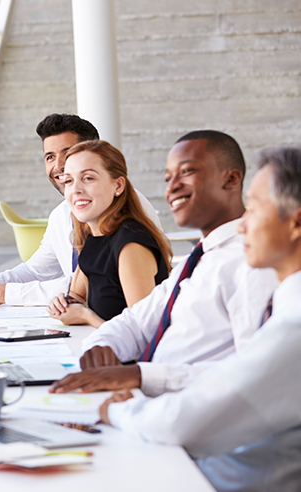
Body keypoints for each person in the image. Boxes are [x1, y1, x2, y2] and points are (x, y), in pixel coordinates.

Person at [99, 147, 301, 492]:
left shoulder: (293, 327)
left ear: (295, 222)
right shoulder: (280, 304)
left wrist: (120, 409)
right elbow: (234, 376)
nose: (243, 224)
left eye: (255, 207)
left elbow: (185, 422)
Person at [50, 131, 277, 397]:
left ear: (231, 179)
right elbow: (137, 321)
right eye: (168, 177)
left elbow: (253, 373)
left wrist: (139, 376)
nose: (172, 187)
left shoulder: (251, 263)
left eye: (187, 172)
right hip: (147, 398)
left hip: (185, 411)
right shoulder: (197, 261)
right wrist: (102, 347)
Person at [0, 114, 161, 306]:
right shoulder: (63, 213)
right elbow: (37, 271)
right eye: (50, 157)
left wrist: (1, 293)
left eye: (69, 154)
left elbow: (98, 286)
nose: (59, 166)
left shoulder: (129, 217)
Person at [46, 140, 170, 327]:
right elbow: (76, 296)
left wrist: (87, 317)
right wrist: (63, 304)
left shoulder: (131, 244)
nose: (76, 190)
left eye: (88, 178)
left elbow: (145, 331)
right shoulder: (93, 234)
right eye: (69, 181)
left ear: (118, 186)